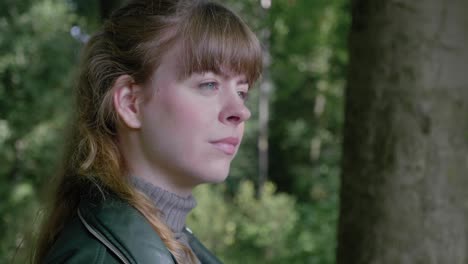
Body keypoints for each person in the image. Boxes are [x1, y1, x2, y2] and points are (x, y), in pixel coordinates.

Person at [32, 0, 262, 263]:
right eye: (209, 85)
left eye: (242, 92)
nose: (241, 111)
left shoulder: (176, 245)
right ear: (131, 104)